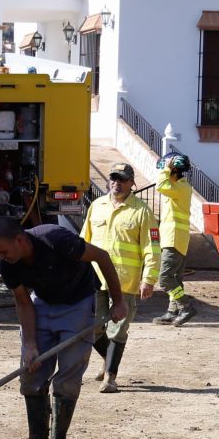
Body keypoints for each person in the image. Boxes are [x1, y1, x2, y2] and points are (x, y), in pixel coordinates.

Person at [0, 216, 128, 439]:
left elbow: (103, 257)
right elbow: (23, 303)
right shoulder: (7, 263)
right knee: (31, 372)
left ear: (20, 240)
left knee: (68, 374)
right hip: (42, 303)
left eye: (4, 251)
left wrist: (118, 300)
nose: (1, 256)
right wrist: (30, 344)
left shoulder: (56, 239)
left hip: (78, 302)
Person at [78, 163, 156, 393]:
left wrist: (149, 279)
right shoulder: (97, 206)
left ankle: (110, 377)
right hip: (95, 279)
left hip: (125, 282)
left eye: (122, 179)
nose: (117, 183)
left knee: (118, 330)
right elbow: (84, 241)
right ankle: (108, 360)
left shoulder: (142, 211)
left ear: (132, 183)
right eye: (113, 178)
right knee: (94, 329)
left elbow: (153, 248)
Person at [154, 152, 198, 326]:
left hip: (173, 240)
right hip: (172, 239)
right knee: (175, 278)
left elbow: (160, 186)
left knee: (165, 279)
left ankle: (186, 306)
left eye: (167, 169)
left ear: (174, 170)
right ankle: (172, 311)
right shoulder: (177, 188)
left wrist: (165, 169)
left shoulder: (181, 187)